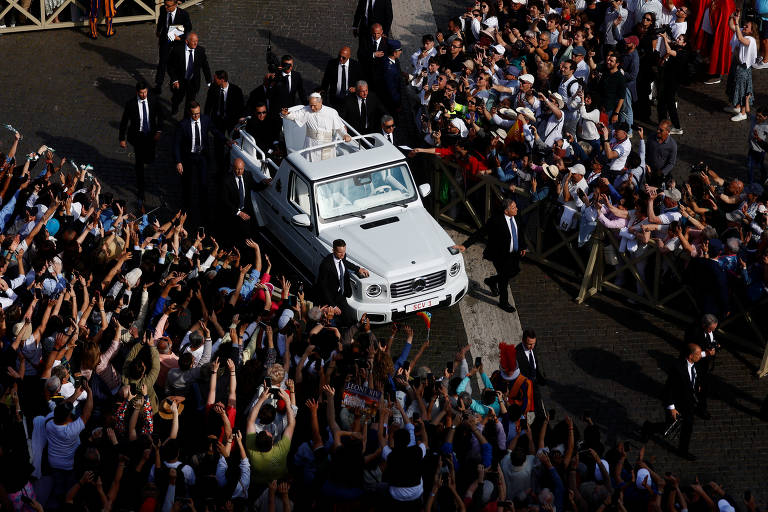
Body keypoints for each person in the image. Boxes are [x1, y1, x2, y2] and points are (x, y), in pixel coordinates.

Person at [453, 198, 527, 313]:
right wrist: (465, 245)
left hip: (514, 253)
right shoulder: (496, 220)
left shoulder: (516, 215)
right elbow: (480, 233)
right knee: (504, 279)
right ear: (506, 211)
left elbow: (519, 232)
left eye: (515, 206)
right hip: (500, 255)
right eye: (513, 208)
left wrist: (522, 246)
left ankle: (491, 281)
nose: (516, 209)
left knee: (514, 271)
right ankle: (503, 302)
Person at [173, 101, 228, 221]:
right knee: (188, 183)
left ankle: (204, 210)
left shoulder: (205, 120)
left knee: (204, 183)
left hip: (202, 156)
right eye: (194, 114)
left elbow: (215, 131)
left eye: (198, 114)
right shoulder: (183, 125)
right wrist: (179, 161)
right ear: (190, 113)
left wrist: (226, 140)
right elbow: (176, 144)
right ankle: (186, 208)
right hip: (189, 158)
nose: (196, 116)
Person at [119, 80, 165, 205]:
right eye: (141, 93)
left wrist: (159, 130)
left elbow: (161, 115)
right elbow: (124, 121)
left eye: (145, 92)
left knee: (149, 159)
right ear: (137, 92)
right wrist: (121, 138)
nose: (143, 95)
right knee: (139, 163)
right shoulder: (131, 104)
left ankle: (147, 167)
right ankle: (141, 190)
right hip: (138, 137)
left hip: (151, 135)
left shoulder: (153, 100)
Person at [280, 93, 351, 161]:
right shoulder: (306, 110)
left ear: (320, 102)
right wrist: (286, 114)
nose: (312, 108)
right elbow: (295, 115)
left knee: (328, 164)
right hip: (311, 144)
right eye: (310, 105)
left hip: (327, 144)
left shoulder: (331, 112)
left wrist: (345, 134)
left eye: (314, 105)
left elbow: (340, 127)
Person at [315, 239, 370, 324]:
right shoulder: (325, 265)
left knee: (347, 318)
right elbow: (323, 288)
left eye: (344, 251)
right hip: (330, 297)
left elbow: (345, 262)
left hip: (341, 294)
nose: (343, 254)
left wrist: (358, 269)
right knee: (331, 321)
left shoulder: (342, 256)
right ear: (333, 250)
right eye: (340, 252)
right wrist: (333, 306)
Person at [204, 70, 245, 174]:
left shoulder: (236, 90)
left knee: (235, 143)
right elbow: (208, 105)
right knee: (218, 145)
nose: (213, 80)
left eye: (215, 79)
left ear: (222, 80)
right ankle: (220, 168)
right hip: (218, 120)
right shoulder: (213, 88)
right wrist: (206, 120)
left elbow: (241, 107)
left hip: (231, 121)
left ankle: (232, 164)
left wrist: (241, 119)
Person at [167, 32, 212, 116]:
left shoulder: (200, 51)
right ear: (187, 42)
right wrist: (174, 80)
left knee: (190, 102)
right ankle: (175, 106)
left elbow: (205, 66)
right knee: (178, 98)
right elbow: (170, 66)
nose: (195, 43)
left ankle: (186, 119)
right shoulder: (177, 50)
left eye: (197, 41)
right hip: (180, 81)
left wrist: (209, 81)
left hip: (193, 82)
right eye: (193, 41)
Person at [724, 16, 758, 122]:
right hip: (736, 66)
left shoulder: (751, 40)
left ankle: (743, 113)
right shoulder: (742, 32)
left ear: (752, 31)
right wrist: (732, 17)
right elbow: (731, 26)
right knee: (735, 87)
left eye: (747, 27)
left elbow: (740, 39)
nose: (744, 27)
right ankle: (737, 107)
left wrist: (738, 23)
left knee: (742, 90)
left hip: (743, 69)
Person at [154, 0, 192, 91]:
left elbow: (189, 27)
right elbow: (161, 20)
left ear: (175, 5)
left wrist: (180, 38)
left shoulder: (183, 14)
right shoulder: (163, 9)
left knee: (177, 63)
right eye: (165, 5)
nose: (166, 7)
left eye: (169, 6)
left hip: (177, 42)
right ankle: (158, 85)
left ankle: (178, 82)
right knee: (162, 62)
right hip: (165, 40)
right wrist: (158, 31)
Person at [220, 158, 259, 244]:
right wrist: (238, 213)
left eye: (241, 169)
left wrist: (265, 183)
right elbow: (225, 200)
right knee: (234, 235)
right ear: (233, 168)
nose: (239, 171)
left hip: (246, 209)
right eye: (237, 169)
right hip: (233, 211)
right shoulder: (226, 180)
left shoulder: (247, 175)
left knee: (250, 232)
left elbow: (255, 186)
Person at [657, 32, 689, 134]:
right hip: (668, 80)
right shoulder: (678, 47)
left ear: (684, 44)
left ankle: (677, 127)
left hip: (673, 82)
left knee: (670, 104)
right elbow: (671, 42)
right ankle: (663, 124)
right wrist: (665, 36)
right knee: (662, 102)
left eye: (680, 39)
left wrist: (665, 40)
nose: (677, 40)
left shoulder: (682, 53)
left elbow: (669, 51)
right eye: (678, 38)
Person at [378, 38, 404, 113]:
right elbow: (392, 89)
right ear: (394, 53)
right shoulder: (390, 69)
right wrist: (398, 104)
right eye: (400, 50)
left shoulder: (386, 60)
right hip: (390, 102)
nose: (401, 52)